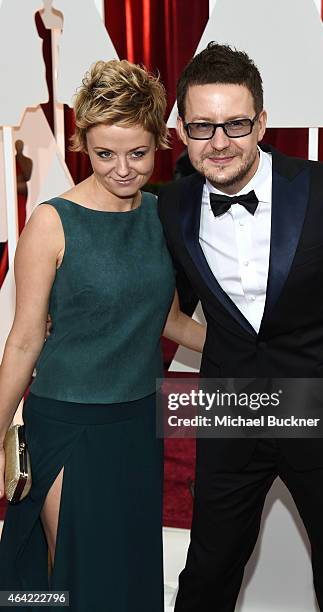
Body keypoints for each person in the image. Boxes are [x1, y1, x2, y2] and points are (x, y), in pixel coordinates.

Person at [157, 43, 323, 611]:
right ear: (183, 134)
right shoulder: (173, 206)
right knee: (208, 569)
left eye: (235, 124)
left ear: (261, 122)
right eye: (202, 127)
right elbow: (163, 307)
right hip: (231, 415)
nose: (219, 142)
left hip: (321, 409)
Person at [0, 59, 205, 611]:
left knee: (129, 579)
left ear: (160, 142)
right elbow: (23, 339)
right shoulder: (52, 221)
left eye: (137, 153)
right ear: (83, 144)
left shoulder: (160, 217)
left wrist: (256, 347)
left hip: (138, 425)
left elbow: (165, 320)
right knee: (81, 582)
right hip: (67, 427)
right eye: (104, 153)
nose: (121, 169)